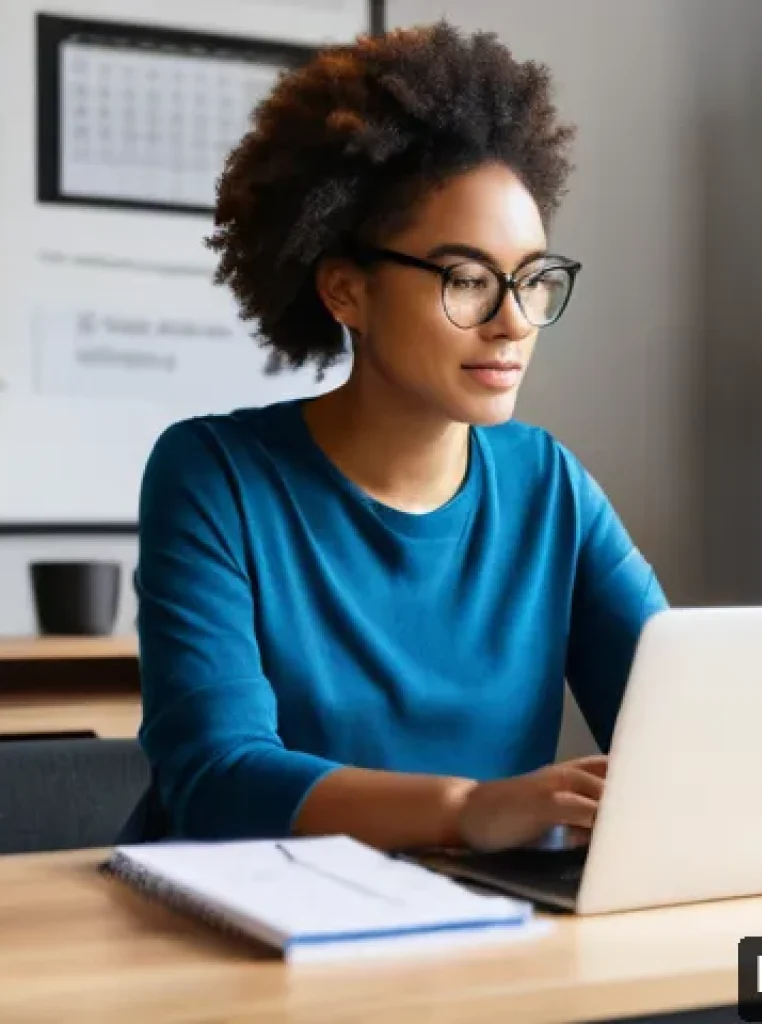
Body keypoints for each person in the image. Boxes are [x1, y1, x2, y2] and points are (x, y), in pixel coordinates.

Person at [132, 21, 668, 853]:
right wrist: (468, 810)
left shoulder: (547, 485)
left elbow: (681, 721)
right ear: (346, 291)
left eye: (531, 279)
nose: (513, 321)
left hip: (483, 927)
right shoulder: (216, 476)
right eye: (466, 279)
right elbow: (215, 777)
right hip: (244, 928)